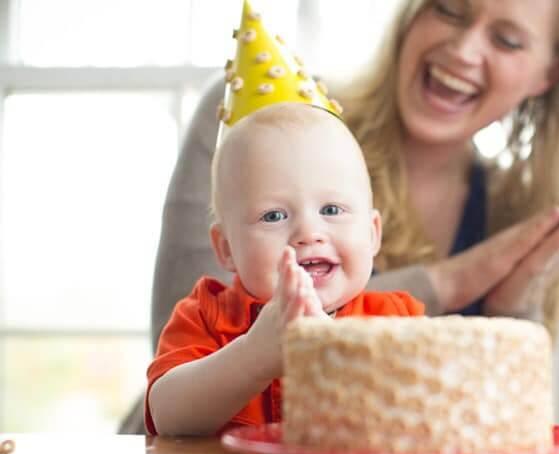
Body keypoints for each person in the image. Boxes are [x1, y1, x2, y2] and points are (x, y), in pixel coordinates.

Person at [124, 0, 559, 434]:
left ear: (551, 71)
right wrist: (453, 280)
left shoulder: (398, 315)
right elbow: (169, 390)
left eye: (507, 40)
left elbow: (475, 419)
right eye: (448, 9)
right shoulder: (257, 139)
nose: (463, 51)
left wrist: (513, 306)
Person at [145, 104, 425, 436]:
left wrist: (341, 354)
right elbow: (167, 416)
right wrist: (252, 357)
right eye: (273, 216)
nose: (308, 232)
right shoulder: (206, 316)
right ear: (226, 248)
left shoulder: (398, 321)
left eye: (331, 209)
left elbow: (424, 417)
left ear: (372, 232)